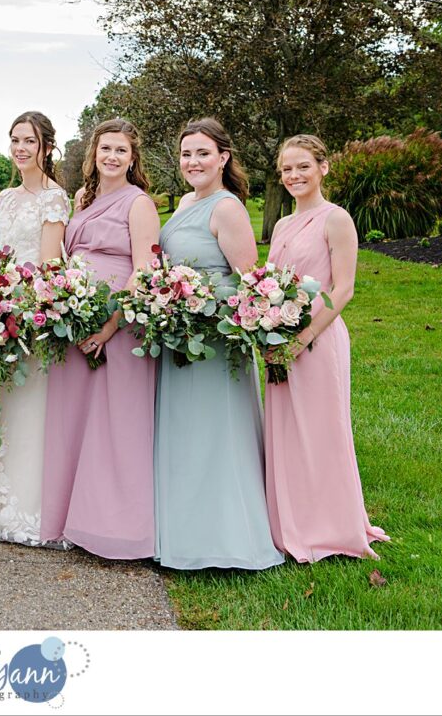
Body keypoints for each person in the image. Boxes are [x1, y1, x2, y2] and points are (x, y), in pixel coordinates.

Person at [153, 118, 285, 571]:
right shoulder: (187, 201)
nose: (193, 162)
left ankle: (227, 540)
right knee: (186, 435)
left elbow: (249, 280)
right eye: (187, 153)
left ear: (223, 158)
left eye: (203, 153)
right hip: (180, 333)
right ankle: (184, 536)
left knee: (216, 433)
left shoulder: (226, 208)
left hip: (214, 340)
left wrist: (204, 305)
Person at [264, 134, 389, 562]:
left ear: (323, 167)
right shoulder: (281, 224)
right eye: (287, 169)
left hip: (318, 336)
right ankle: (290, 522)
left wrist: (303, 339)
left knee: (322, 431)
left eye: (303, 166)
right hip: (278, 338)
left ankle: (332, 526)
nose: (294, 175)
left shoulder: (336, 219)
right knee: (286, 431)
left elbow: (345, 288)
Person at [39, 118, 159, 559]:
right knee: (74, 421)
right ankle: (74, 521)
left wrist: (109, 326)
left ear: (132, 158)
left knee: (114, 424)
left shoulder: (139, 204)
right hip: (76, 319)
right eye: (105, 148)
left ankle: (117, 529)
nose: (111, 157)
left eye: (121, 150)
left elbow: (144, 269)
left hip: (119, 326)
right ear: (94, 153)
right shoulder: (81, 198)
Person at [0, 112, 70, 547]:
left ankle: (30, 510)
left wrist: (16, 309)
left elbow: (48, 264)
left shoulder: (54, 199)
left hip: (30, 314)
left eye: (30, 141)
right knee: (3, 404)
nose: (21, 148)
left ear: (46, 148)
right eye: (15, 140)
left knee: (28, 408)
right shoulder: (4, 197)